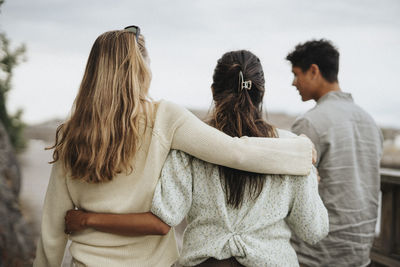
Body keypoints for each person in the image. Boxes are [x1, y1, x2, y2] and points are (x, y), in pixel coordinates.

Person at [33, 27, 315, 267]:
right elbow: (236, 152)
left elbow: (52, 227)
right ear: (142, 68)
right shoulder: (165, 117)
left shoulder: (71, 134)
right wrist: (300, 152)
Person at [286, 39, 383, 267]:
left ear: (314, 71)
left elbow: (291, 193)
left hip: (316, 256)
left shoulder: (309, 124)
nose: (293, 83)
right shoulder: (370, 122)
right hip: (360, 254)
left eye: (296, 74)